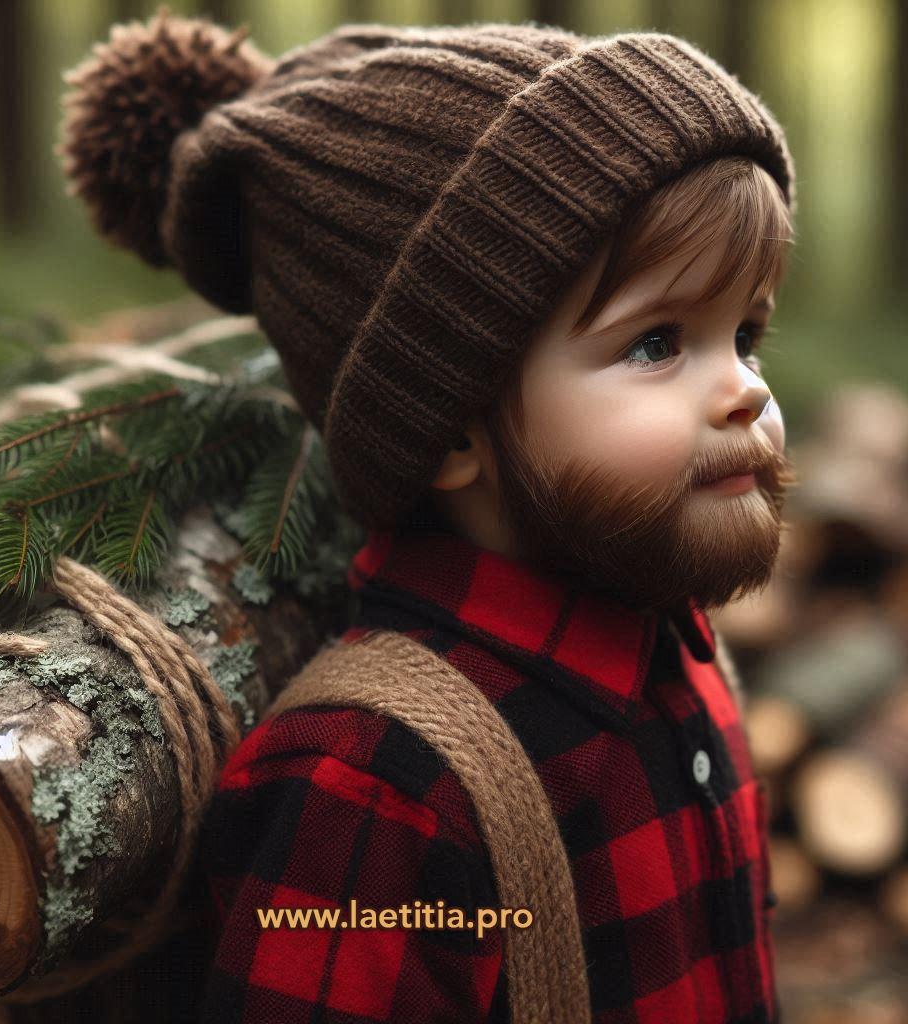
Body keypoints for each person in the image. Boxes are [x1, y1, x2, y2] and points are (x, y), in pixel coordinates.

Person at [60, 11, 797, 1021]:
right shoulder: (375, 785)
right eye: (658, 341)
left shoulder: (674, 655)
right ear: (449, 425)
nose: (745, 391)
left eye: (745, 334)